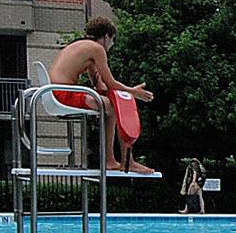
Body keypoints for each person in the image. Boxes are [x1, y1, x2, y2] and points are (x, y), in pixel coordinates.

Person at [48, 17, 155, 173]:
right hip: (64, 93)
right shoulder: (97, 49)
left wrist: (115, 92)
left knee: (110, 104)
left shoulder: (81, 46)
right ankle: (121, 161)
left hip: (55, 91)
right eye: (113, 40)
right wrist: (133, 92)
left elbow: (100, 84)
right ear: (106, 36)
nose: (112, 44)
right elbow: (110, 83)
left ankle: (112, 159)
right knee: (114, 107)